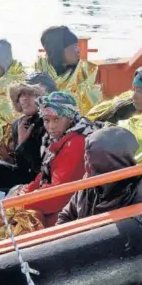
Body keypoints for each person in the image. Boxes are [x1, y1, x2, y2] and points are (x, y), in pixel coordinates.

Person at [12, 91, 103, 227]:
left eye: (56, 119)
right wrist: (25, 192)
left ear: (69, 118)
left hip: (71, 212)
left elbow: (59, 195)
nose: (51, 126)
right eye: (46, 120)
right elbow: (44, 176)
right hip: (58, 203)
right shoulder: (60, 139)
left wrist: (20, 203)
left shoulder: (76, 143)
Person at [0, 72, 58, 192]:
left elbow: (42, 169)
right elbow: (22, 167)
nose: (24, 98)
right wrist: (21, 142)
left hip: (44, 182)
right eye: (21, 94)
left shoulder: (52, 124)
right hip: (26, 177)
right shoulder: (19, 123)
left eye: (32, 94)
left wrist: (23, 143)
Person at [56, 127, 142, 225]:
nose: (86, 164)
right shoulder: (89, 181)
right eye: (86, 157)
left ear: (110, 162)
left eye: (92, 160)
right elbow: (66, 215)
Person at [36, 25, 101, 115]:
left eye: (77, 46)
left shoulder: (86, 71)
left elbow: (91, 106)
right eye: (74, 47)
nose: (78, 50)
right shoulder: (39, 71)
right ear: (58, 50)